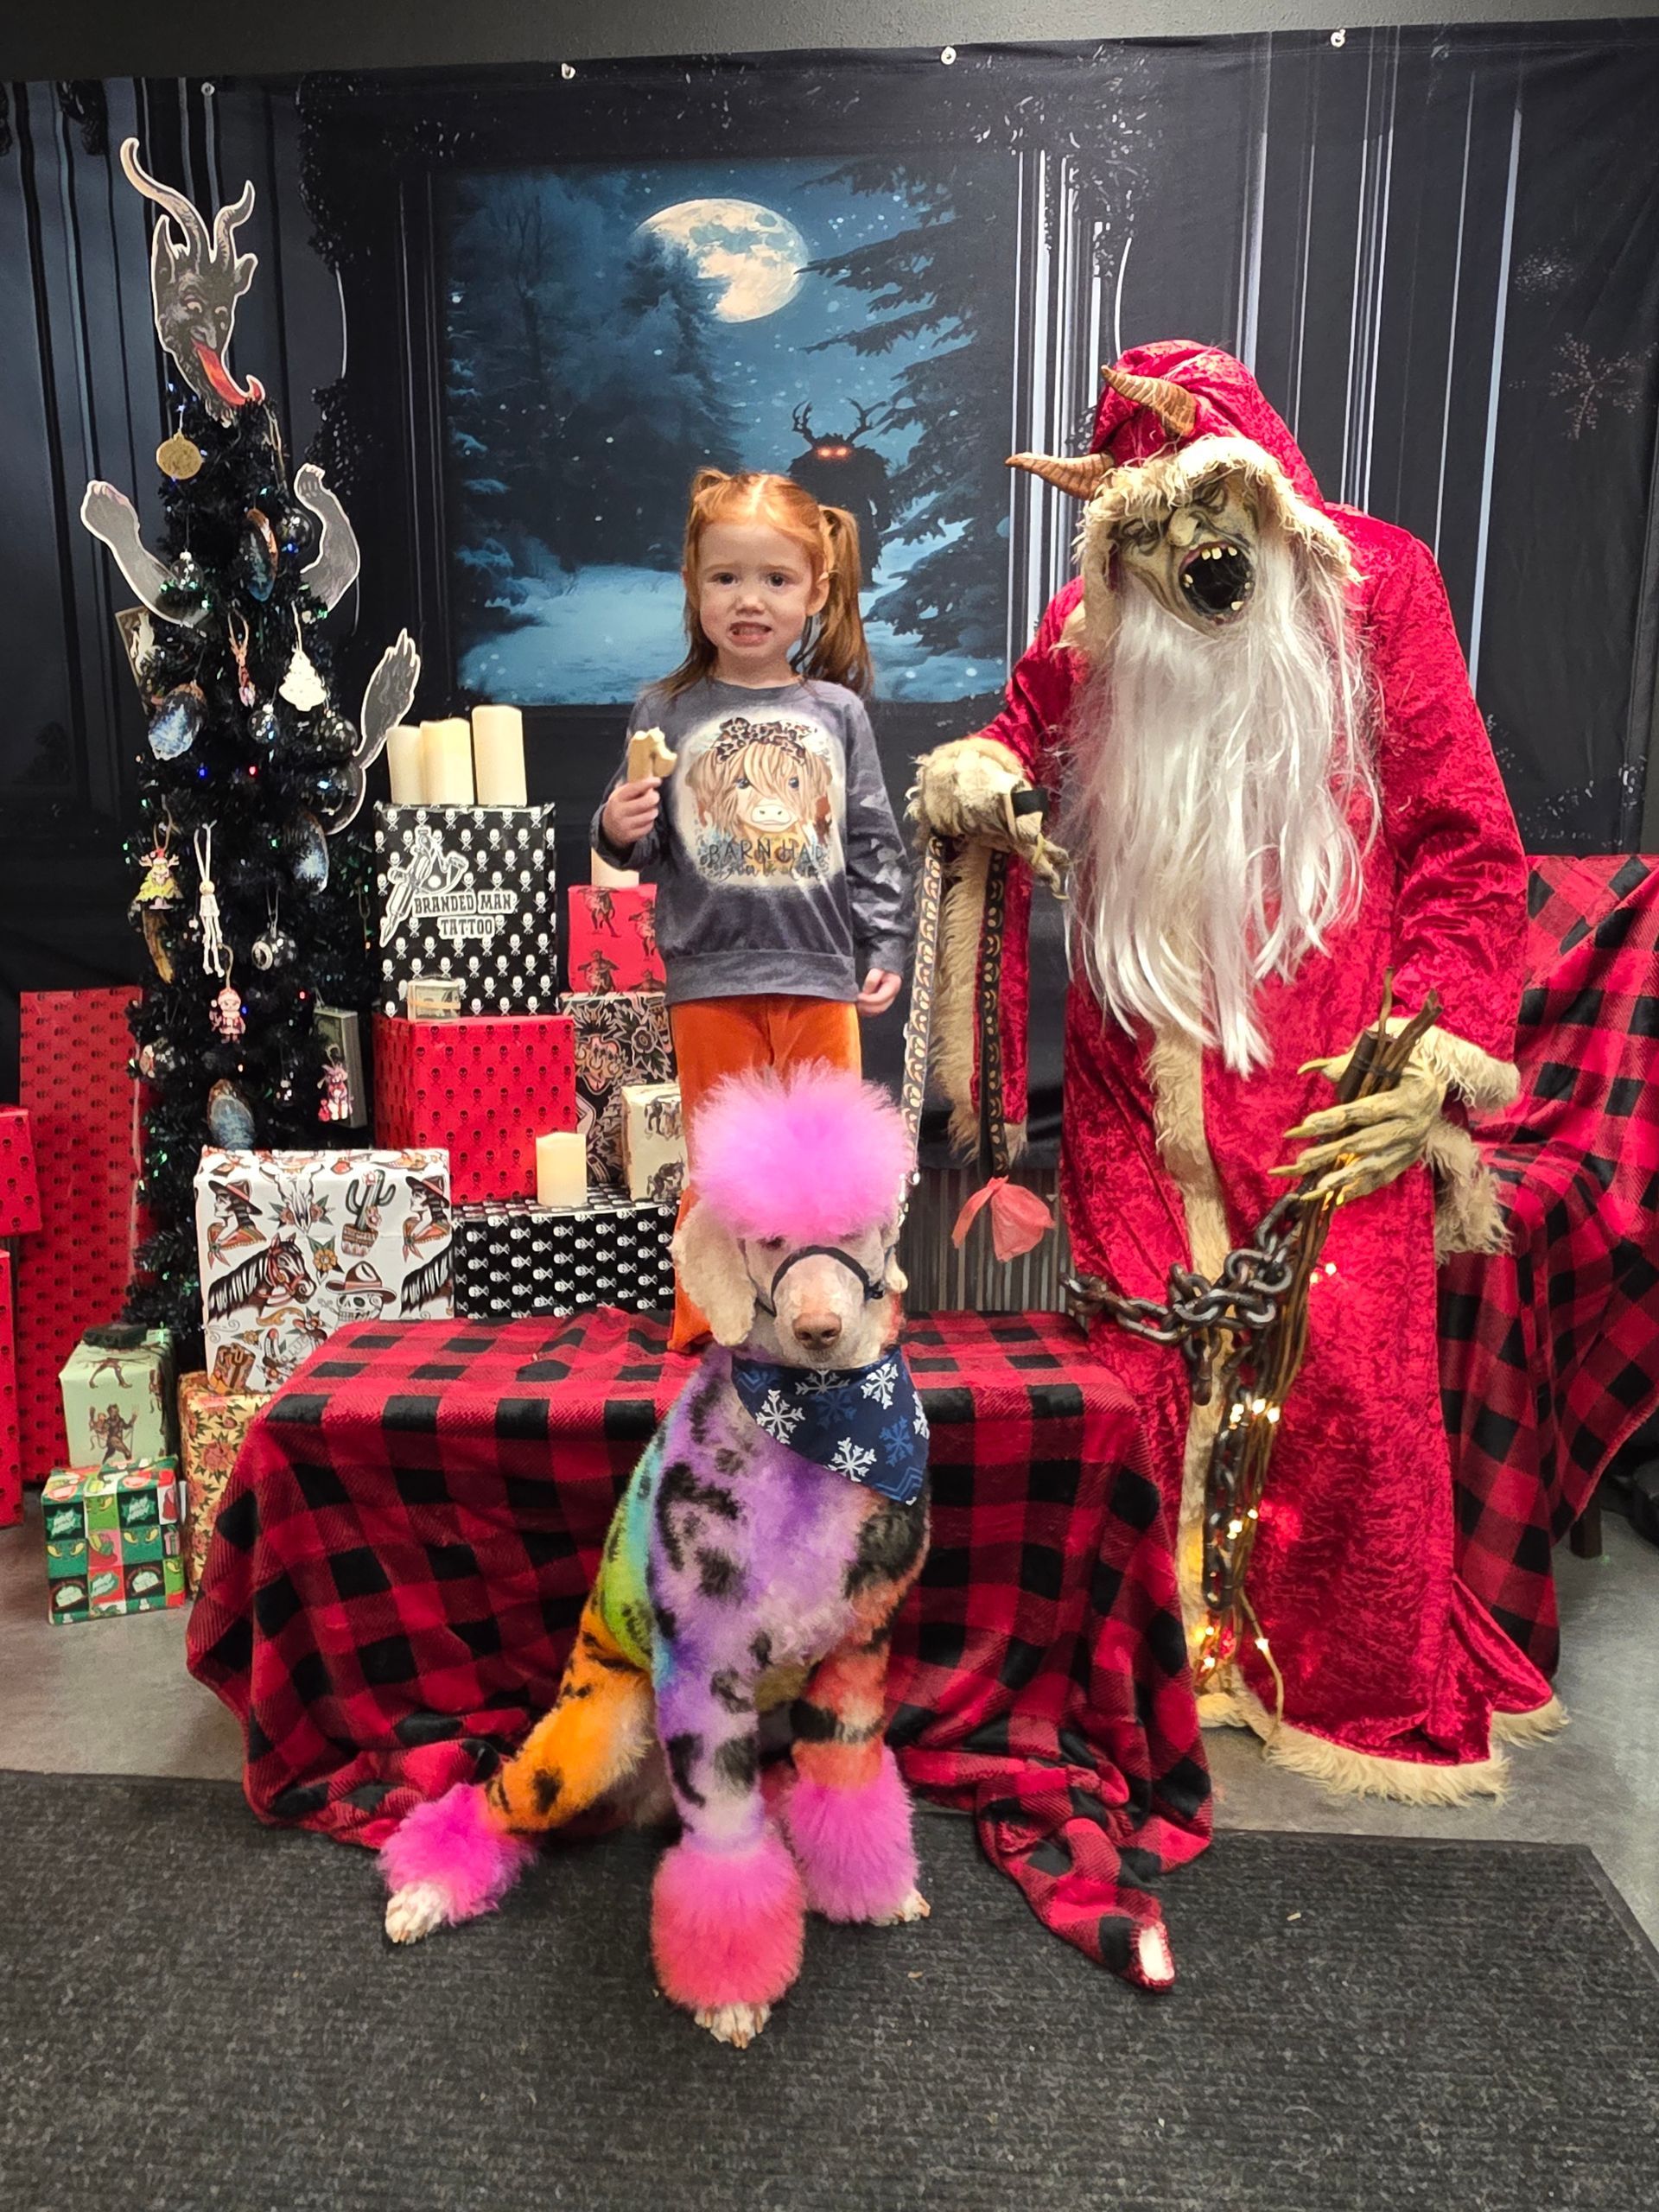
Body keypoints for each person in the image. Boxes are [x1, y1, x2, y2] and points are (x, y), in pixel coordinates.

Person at [911, 341, 1559, 1802]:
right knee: (1136, 1370)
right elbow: (1010, 741)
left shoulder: (1375, 585)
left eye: (1211, 509)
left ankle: (1331, 1674)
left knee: (1343, 1381)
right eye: (1151, 526)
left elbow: (1463, 837)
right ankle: (1165, 1657)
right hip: (1135, 1071)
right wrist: (982, 781)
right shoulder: (1091, 618)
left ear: (1263, 491)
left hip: (1331, 1069)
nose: (1192, 554)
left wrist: (1431, 1052)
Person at [594, 468, 912, 1350]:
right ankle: (715, 1323)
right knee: (721, 1163)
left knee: (831, 1166)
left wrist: (885, 940)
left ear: (817, 591)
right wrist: (616, 823)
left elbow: (873, 840)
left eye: (775, 579)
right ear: (692, 585)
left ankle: (847, 1311)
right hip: (710, 977)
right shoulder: (663, 710)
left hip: (818, 974)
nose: (749, 599)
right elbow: (637, 843)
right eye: (725, 577)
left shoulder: (836, 713)